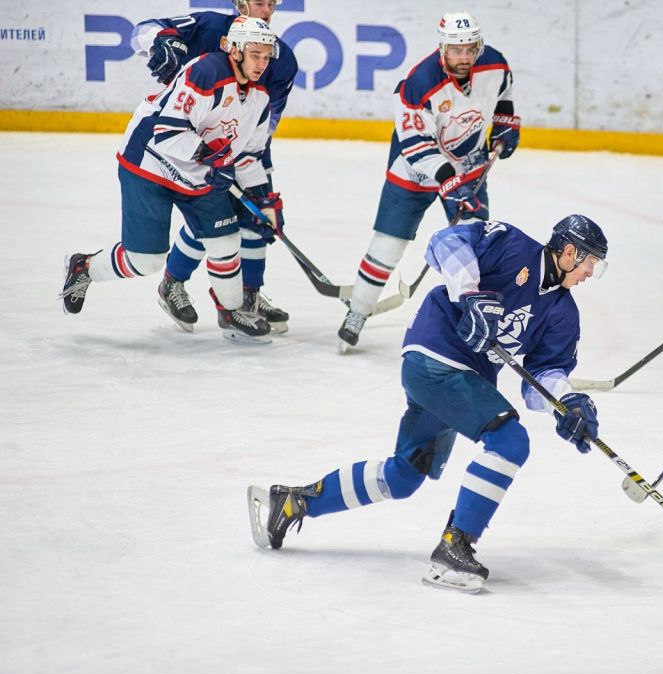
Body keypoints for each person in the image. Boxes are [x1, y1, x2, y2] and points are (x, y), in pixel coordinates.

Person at [248, 214, 608, 592]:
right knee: (510, 440)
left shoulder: (563, 314)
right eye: (590, 263)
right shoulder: (512, 245)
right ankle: (455, 546)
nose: (589, 273)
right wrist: (469, 294)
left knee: (404, 475)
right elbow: (445, 242)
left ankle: (291, 503)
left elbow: (541, 379)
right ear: (570, 252)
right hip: (434, 356)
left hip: (462, 380)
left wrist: (567, 405)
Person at [60, 17, 286, 344]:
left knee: (225, 242)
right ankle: (84, 267)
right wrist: (211, 156)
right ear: (234, 50)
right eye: (255, 55)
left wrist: (264, 199)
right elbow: (166, 134)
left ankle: (231, 310)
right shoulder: (206, 72)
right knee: (145, 260)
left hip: (199, 172)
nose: (261, 64)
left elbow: (249, 155)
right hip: (150, 162)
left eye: (266, 57)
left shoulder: (260, 98)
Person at [337, 11, 520, 352]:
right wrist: (449, 180)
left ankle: (472, 319)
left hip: (468, 164)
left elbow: (504, 93)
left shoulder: (494, 63)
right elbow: (416, 146)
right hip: (414, 169)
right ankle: (358, 311)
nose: (464, 57)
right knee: (388, 245)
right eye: (456, 50)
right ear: (442, 48)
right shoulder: (418, 83)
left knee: (473, 243)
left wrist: (506, 125)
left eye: (469, 49)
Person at [131, 0, 298, 333]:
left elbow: (267, 121)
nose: (266, 10)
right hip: (191, 142)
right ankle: (173, 282)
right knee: (208, 218)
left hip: (245, 143)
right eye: (258, 2)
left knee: (256, 217)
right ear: (240, 3)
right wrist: (161, 40)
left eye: (271, 3)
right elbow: (141, 32)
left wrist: (247, 164)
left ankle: (247, 296)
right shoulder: (208, 28)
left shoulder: (281, 59)